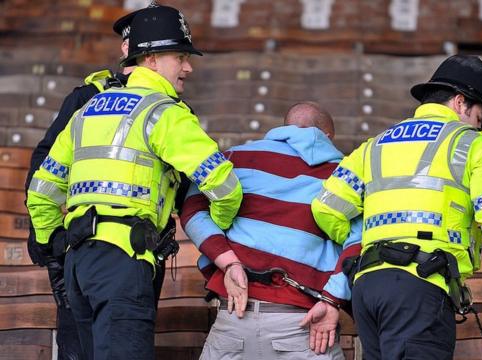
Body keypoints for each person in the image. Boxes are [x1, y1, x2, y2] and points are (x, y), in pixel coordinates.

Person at [26, 5, 242, 360]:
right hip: (126, 263)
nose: (188, 67)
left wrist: (55, 244)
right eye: (180, 57)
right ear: (152, 59)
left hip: (79, 265)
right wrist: (219, 224)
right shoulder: (166, 113)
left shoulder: (87, 110)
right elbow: (224, 183)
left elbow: (41, 192)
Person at [311, 55, 482, 359]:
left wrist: (369, 242)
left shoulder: (374, 145)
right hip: (419, 285)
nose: (478, 127)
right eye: (479, 119)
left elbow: (326, 208)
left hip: (367, 287)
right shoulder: (475, 145)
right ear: (460, 103)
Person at [180, 102, 361, 359]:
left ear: (283, 128)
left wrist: (228, 261)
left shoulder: (233, 158)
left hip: (232, 321)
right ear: (327, 137)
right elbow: (360, 242)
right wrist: (333, 299)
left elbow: (193, 210)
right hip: (303, 329)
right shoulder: (342, 176)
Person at [23, 12, 142, 360]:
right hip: (79, 243)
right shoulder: (87, 96)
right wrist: (48, 241)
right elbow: (44, 164)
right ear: (125, 49)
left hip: (137, 248)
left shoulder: (170, 104)